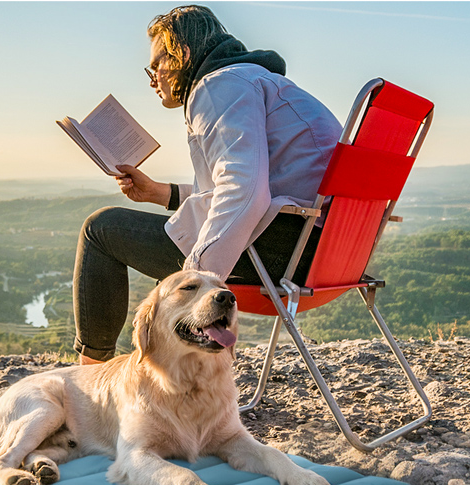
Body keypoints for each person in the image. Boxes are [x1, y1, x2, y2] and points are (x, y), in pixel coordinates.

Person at [73, 5, 343, 364]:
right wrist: (161, 193)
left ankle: (90, 381)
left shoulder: (218, 86)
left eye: (157, 64)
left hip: (285, 251)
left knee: (101, 229)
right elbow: (242, 185)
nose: (152, 77)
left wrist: (194, 281)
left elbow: (245, 191)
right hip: (326, 250)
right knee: (179, 247)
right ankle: (169, 386)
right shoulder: (256, 81)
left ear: (182, 54)